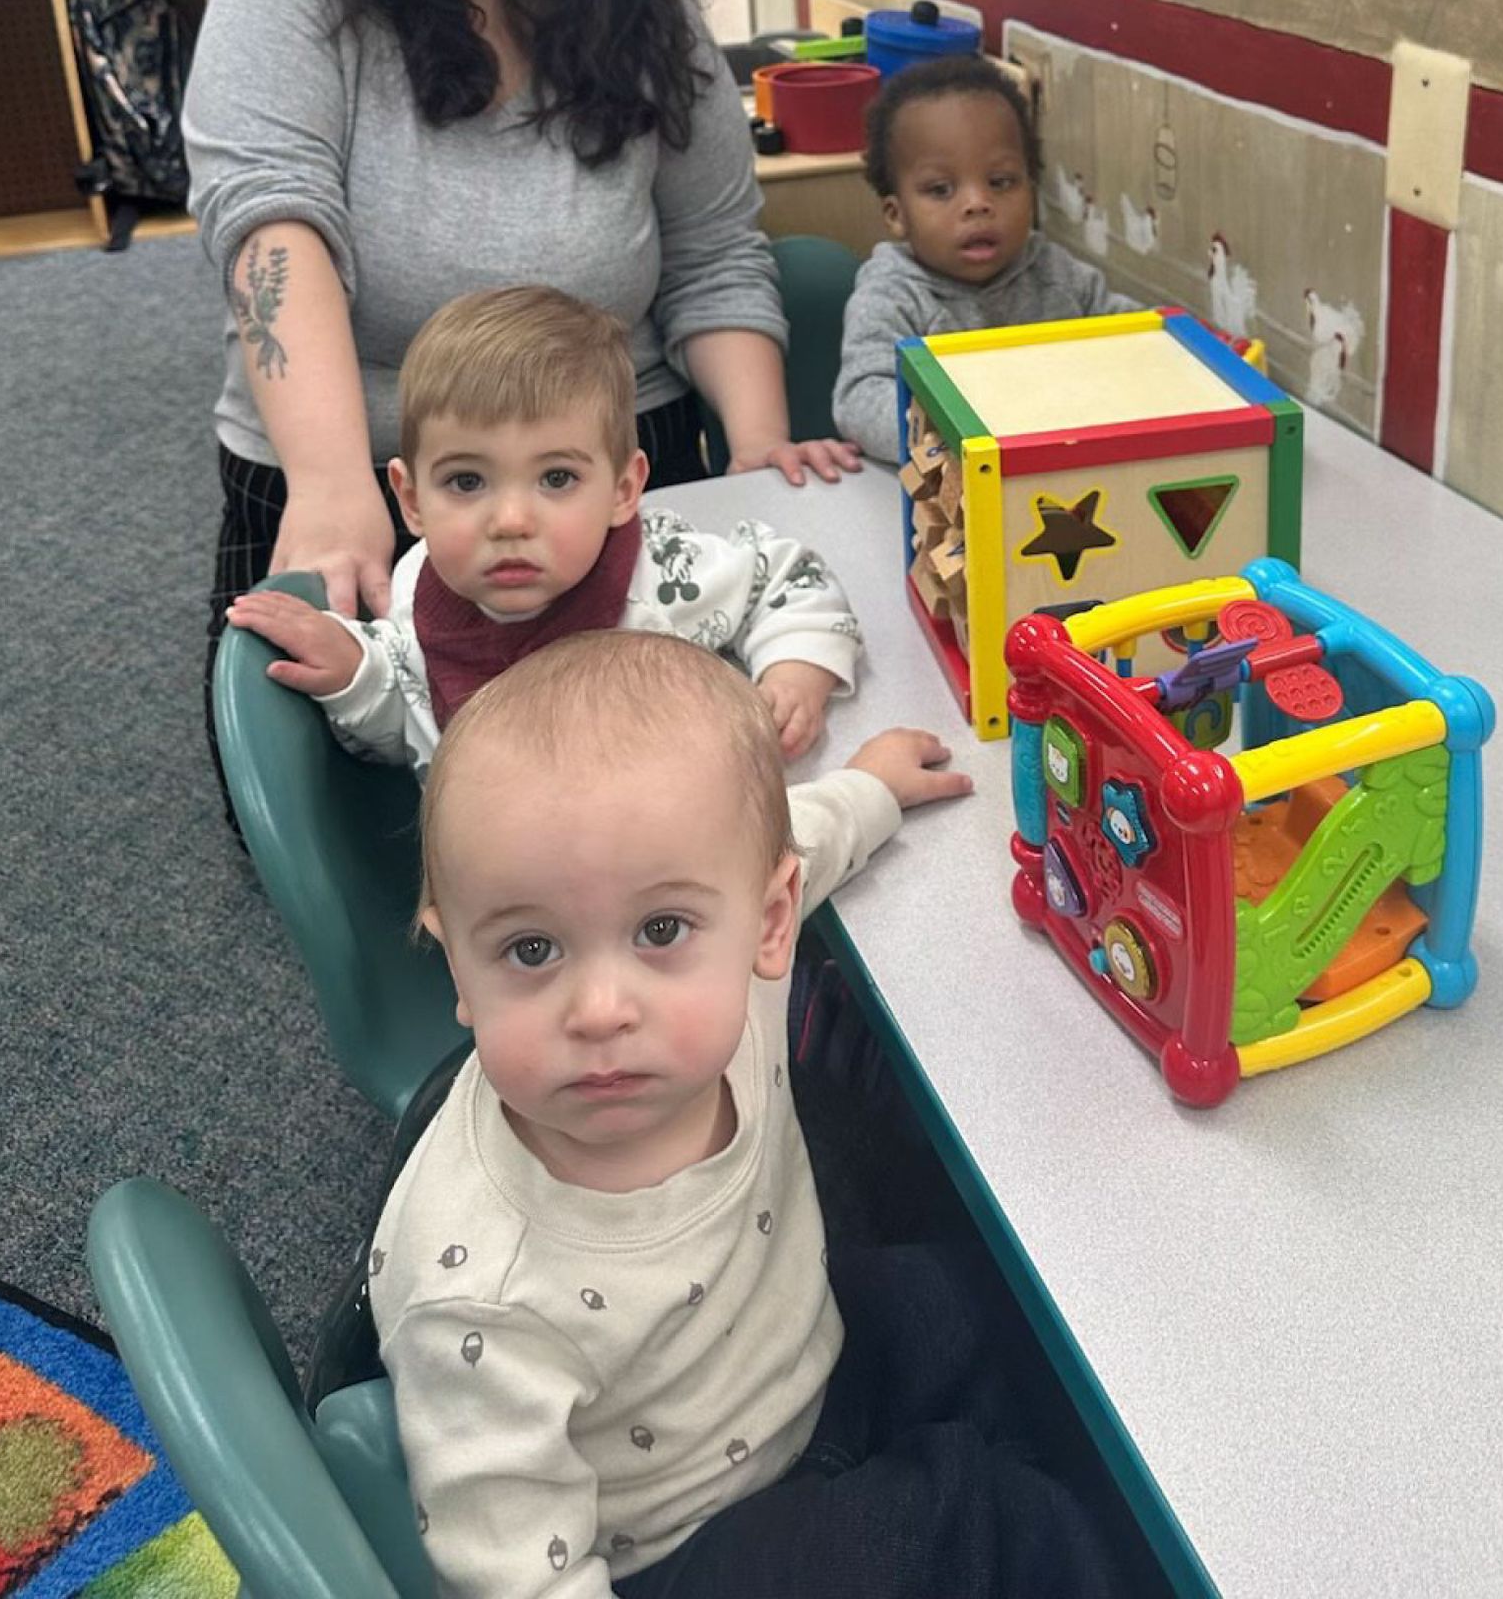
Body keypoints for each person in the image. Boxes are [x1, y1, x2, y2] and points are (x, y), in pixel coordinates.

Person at [185, 0, 858, 792]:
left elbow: (714, 253)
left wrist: (748, 455)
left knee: (668, 792)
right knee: (374, 833)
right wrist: (339, 477)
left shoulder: (652, 17)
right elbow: (270, 228)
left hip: (601, 472)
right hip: (364, 465)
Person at [371, 631, 1122, 1599]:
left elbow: (789, 839)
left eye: (660, 930)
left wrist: (874, 788)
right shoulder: (475, 1296)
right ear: (456, 968)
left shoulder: (743, 973)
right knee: (969, 1517)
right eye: (528, 950)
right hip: (682, 1546)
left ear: (768, 925)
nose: (602, 1008)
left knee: (950, 1301)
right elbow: (510, 1572)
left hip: (787, 1360)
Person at [226, 286, 859, 768]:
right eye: (466, 482)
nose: (509, 521)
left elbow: (789, 577)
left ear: (623, 489)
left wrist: (795, 669)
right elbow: (416, 727)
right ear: (411, 501)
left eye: (556, 479)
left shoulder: (665, 574)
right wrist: (359, 676)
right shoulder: (419, 588)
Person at [832, 56, 1138, 460]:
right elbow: (860, 401)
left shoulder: (1055, 272)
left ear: (1031, 190)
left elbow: (1134, 338)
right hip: (942, 495)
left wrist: (1191, 350)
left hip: (1054, 477)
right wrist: (961, 433)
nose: (978, 204)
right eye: (941, 190)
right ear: (896, 215)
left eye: (1001, 183)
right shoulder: (893, 295)